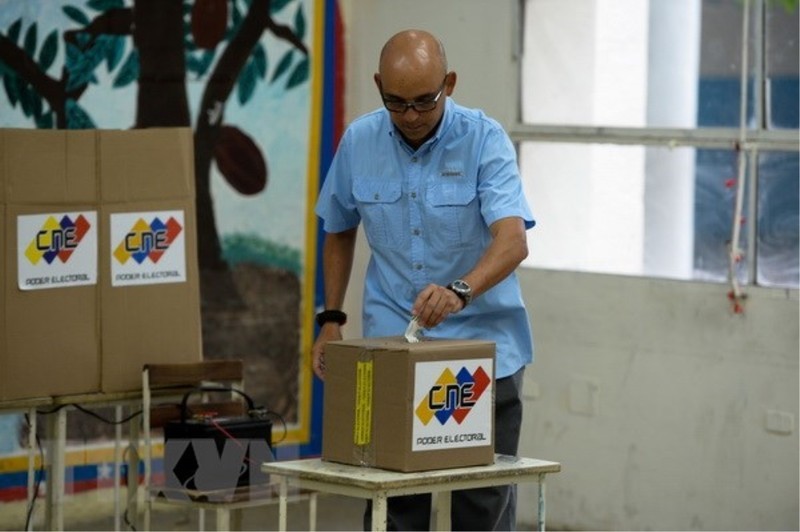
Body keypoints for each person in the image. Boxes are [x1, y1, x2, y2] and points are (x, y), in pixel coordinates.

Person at [312, 29, 536, 531]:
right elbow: (338, 228)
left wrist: (460, 291)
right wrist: (330, 319)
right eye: (396, 103)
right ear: (377, 87)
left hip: (482, 355)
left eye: (423, 102)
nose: (411, 116)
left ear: (449, 84)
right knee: (392, 505)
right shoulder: (360, 141)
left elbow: (513, 240)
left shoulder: (484, 140)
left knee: (480, 507)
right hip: (394, 352)